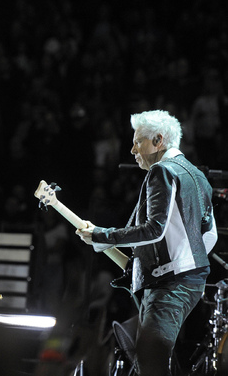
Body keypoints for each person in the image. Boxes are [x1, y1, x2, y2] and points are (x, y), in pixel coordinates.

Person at [76, 109, 217, 376]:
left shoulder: (162, 171)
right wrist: (186, 262)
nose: (132, 149)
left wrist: (102, 235)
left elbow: (154, 229)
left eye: (138, 141)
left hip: (168, 285)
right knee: (152, 359)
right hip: (190, 283)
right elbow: (210, 235)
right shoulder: (198, 176)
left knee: (151, 365)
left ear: (158, 141)